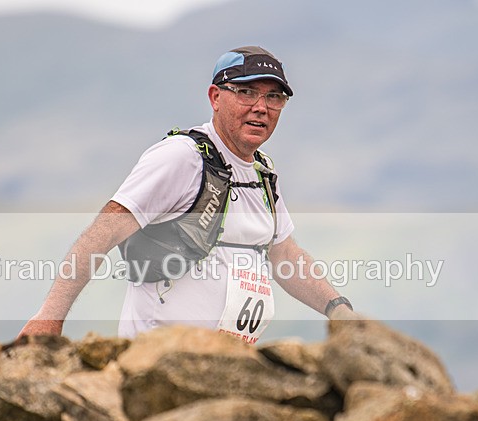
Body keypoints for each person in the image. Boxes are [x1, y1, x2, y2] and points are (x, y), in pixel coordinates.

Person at [19, 46, 356, 342]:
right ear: (215, 97)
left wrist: (339, 310)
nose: (261, 107)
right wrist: (49, 317)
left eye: (274, 97)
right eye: (246, 92)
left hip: (230, 366)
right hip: (156, 363)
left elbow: (284, 254)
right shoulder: (181, 156)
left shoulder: (263, 171)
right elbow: (103, 232)